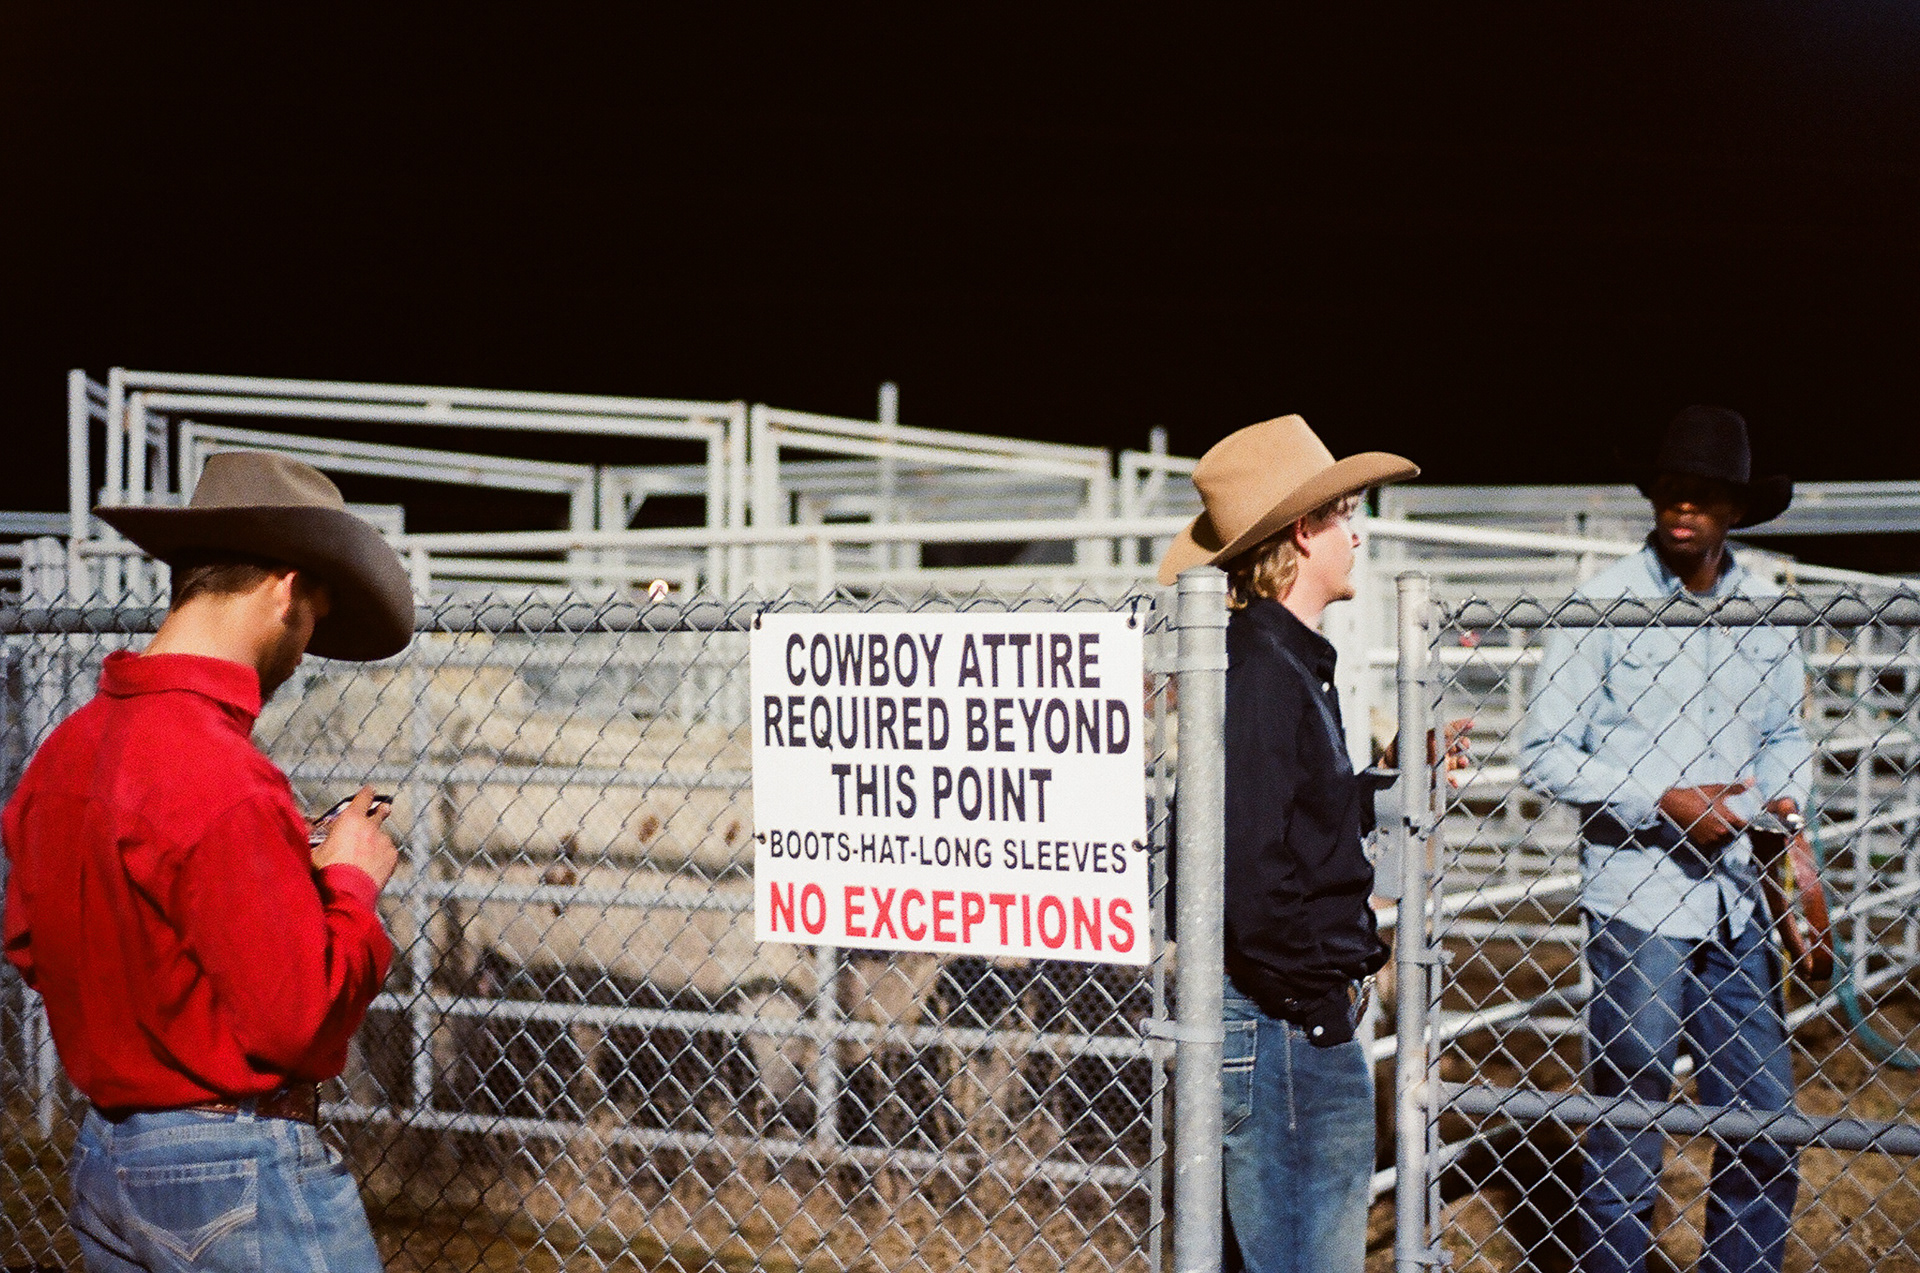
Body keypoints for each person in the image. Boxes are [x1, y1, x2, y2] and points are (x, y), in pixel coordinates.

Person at [2, 451, 417, 1273]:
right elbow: (297, 1018)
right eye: (313, 619)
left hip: (109, 1156)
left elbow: (31, 944)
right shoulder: (222, 772)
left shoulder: (66, 754)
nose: (304, 650)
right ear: (285, 591)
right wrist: (349, 880)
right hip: (236, 1164)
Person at [1518, 405, 1812, 1273]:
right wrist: (1661, 800)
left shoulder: (1765, 607)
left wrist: (1785, 812)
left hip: (1735, 899)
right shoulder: (1602, 602)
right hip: (1638, 894)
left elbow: (1784, 734)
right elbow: (1544, 751)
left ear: (1736, 508)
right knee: (1631, 1117)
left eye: (1706, 493)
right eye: (1671, 489)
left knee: (1767, 1118)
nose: (1684, 506)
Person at [1160, 415, 1449, 1273]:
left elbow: (1291, 818)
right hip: (1286, 1024)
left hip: (1286, 1018)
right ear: (1300, 533)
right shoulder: (1263, 673)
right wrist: (1318, 1003)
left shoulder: (1277, 662)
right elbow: (1248, 874)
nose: (1357, 534)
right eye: (1344, 515)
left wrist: (1391, 774)